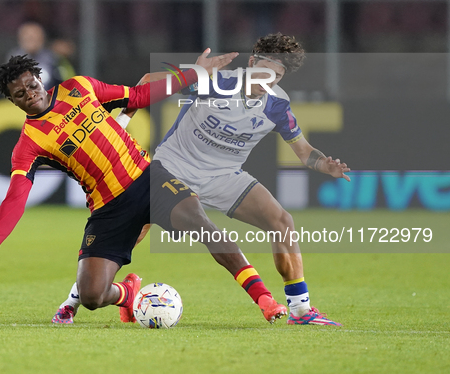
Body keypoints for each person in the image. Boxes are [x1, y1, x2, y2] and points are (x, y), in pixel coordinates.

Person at [0, 51, 288, 327]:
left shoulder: (79, 88)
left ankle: (265, 300)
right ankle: (128, 294)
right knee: (92, 296)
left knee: (206, 229)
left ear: (40, 79)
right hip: (108, 209)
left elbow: (139, 96)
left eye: (31, 86)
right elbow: (16, 196)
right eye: (19, 95)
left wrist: (194, 74)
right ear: (12, 101)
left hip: (149, 180)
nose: (29, 94)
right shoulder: (28, 144)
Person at [57, 34, 348, 326]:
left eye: (277, 74)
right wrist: (122, 123)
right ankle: (74, 300)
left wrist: (325, 164)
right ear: (251, 62)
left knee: (281, 221)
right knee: (133, 231)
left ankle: (300, 310)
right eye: (264, 69)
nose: (268, 78)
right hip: (172, 167)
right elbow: (147, 81)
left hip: (224, 176)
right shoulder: (215, 81)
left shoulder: (278, 107)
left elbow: (304, 151)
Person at [6, 22, 63, 91]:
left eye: (34, 37)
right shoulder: (13, 60)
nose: (31, 41)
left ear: (42, 39)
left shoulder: (53, 60)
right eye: (28, 37)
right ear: (20, 39)